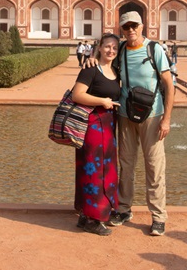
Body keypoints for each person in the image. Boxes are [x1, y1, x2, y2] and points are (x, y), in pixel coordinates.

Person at [110, 11, 175, 236]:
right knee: (126, 164)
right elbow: (107, 68)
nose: (131, 30)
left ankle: (158, 216)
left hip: (153, 115)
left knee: (154, 166)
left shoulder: (154, 49)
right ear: (122, 29)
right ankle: (124, 208)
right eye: (126, 27)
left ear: (142, 26)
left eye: (134, 26)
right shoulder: (120, 50)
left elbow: (169, 84)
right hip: (126, 115)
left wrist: (166, 119)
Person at [70, 33, 121, 236]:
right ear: (99, 47)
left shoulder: (115, 71)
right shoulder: (91, 69)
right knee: (93, 170)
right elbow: (77, 94)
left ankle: (87, 214)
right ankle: (93, 218)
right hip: (92, 125)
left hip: (108, 126)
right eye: (107, 46)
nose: (111, 51)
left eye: (115, 48)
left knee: (105, 169)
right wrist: (101, 101)